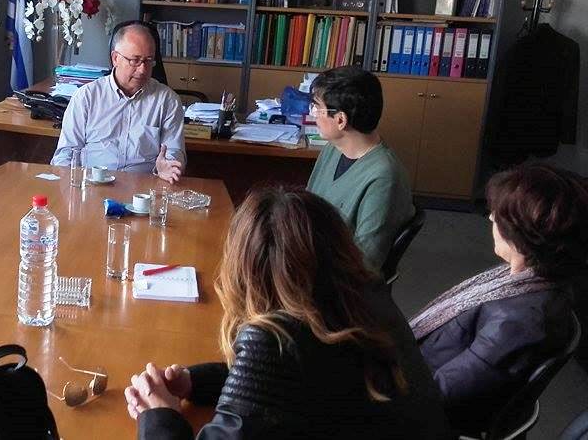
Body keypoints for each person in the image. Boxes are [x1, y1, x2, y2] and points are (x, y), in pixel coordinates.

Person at [124, 186, 450, 439]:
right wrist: (195, 382)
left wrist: (159, 414)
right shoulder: (364, 299)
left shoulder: (276, 338)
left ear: (245, 269)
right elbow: (291, 384)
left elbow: (277, 367)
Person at [410, 163, 586, 434]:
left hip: (419, 405)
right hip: (417, 367)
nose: (491, 218)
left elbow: (436, 395)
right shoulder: (527, 279)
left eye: (500, 216)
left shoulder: (520, 321)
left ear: (525, 235)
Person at [306, 66, 414, 273]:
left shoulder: (383, 177)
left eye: (317, 108)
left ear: (340, 120)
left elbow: (365, 262)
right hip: (310, 254)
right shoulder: (333, 149)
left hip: (335, 276)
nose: (313, 115)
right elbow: (307, 209)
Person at [50, 23, 185, 183]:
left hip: (144, 188)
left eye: (148, 61)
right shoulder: (87, 97)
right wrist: (70, 186)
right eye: (135, 60)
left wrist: (168, 166)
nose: (142, 69)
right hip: (92, 186)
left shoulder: (167, 100)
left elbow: (173, 150)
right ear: (115, 58)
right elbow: (66, 153)